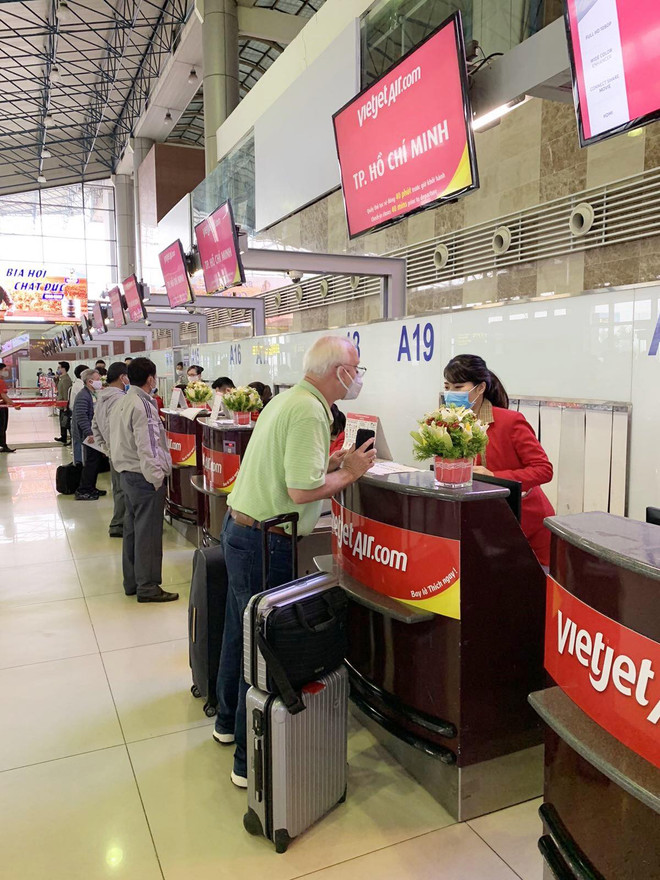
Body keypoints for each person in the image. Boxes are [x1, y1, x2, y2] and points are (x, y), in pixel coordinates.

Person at [213, 335, 376, 788]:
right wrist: (349, 473)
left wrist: (331, 460)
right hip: (266, 542)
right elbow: (301, 492)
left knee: (239, 635)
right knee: (266, 647)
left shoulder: (289, 401)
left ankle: (227, 723)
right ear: (337, 371)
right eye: (356, 368)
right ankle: (251, 763)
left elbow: (291, 468)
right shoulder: (308, 410)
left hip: (241, 531)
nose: (358, 377)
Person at [443, 353, 555, 567]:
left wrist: (495, 477)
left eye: (458, 388)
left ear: (480, 388)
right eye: (447, 387)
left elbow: (543, 470)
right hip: (486, 522)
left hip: (525, 523)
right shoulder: (452, 423)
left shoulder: (510, 421)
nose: (451, 394)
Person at [109, 357, 178, 603]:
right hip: (143, 477)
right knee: (148, 534)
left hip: (126, 474)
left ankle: (132, 582)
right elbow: (148, 446)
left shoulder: (124, 400)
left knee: (132, 531)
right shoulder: (143, 404)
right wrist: (157, 478)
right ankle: (148, 587)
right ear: (150, 379)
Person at [92, 362, 129, 536]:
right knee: (126, 490)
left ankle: (118, 522)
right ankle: (121, 524)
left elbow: (95, 425)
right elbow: (122, 429)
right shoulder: (122, 400)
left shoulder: (101, 398)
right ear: (123, 378)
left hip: (112, 451)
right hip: (123, 452)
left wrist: (105, 447)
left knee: (118, 489)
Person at [72, 369, 107, 501]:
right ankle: (84, 489)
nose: (100, 381)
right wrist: (90, 433)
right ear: (90, 381)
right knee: (91, 462)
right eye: (98, 379)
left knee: (95, 461)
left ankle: (91, 487)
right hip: (88, 436)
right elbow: (81, 417)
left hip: (93, 434)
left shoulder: (92, 394)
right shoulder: (83, 395)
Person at [69, 364, 89, 462]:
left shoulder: (77, 384)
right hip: (78, 417)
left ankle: (78, 462)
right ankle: (79, 463)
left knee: (77, 441)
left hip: (76, 416)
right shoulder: (81, 387)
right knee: (79, 442)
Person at [0, 362, 20, 452]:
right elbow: (3, 395)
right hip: (1, 407)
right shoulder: (0, 382)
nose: (6, 372)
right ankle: (3, 445)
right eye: (5, 370)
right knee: (2, 427)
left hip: (2, 405)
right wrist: (14, 404)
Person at [54, 361, 72, 445]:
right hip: (61, 404)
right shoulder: (61, 378)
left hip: (64, 404)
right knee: (62, 421)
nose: (58, 369)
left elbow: (66, 392)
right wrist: (56, 379)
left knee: (66, 422)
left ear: (63, 368)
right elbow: (58, 388)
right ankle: (63, 436)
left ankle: (70, 438)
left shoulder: (66, 379)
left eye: (59, 367)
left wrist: (65, 405)